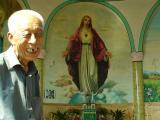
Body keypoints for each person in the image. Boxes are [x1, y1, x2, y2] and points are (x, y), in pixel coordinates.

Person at [0, 9, 44, 120]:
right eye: (26, 34)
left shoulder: (33, 72)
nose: (34, 41)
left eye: (39, 34)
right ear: (11, 37)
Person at [64, 15, 112, 97]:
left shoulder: (92, 31)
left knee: (92, 70)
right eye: (85, 20)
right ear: (82, 21)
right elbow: (72, 40)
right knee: (83, 70)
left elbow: (99, 41)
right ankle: (85, 90)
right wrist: (68, 50)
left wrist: (105, 51)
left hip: (91, 52)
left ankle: (93, 89)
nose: (87, 22)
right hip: (81, 52)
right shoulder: (79, 31)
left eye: (89, 20)